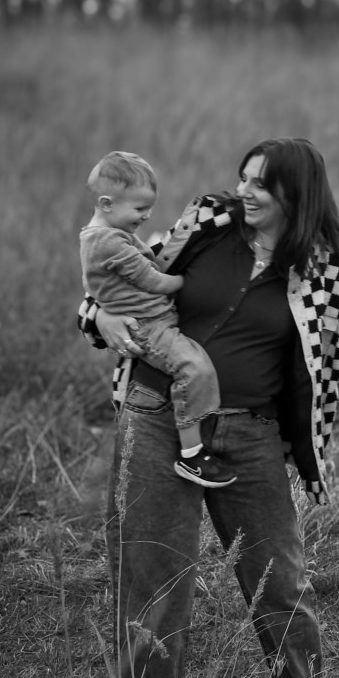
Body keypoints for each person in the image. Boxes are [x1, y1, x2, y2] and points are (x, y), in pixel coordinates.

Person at [79, 138, 339, 678]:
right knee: (154, 586)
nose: (244, 191)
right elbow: (117, 271)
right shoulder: (205, 228)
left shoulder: (332, 276)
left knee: (282, 588)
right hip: (156, 419)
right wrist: (98, 315)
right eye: (243, 178)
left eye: (260, 183)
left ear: (296, 194)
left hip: (249, 434)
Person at [80, 150, 235, 488]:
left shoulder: (110, 234)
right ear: (107, 204)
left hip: (154, 320)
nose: (147, 215)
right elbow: (152, 279)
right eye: (140, 209)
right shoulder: (107, 241)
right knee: (193, 369)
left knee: (195, 365)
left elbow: (131, 274)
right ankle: (192, 453)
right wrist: (186, 281)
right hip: (149, 326)